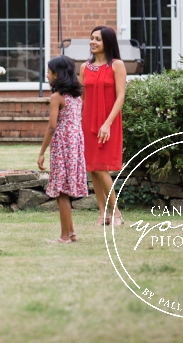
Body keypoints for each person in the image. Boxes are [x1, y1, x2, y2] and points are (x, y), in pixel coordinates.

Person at [38, 55, 88, 244]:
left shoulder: (56, 97)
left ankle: (65, 237)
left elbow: (52, 126)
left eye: (49, 72)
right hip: (75, 145)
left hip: (62, 146)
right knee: (64, 189)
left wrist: (42, 151)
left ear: (57, 75)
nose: (47, 75)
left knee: (62, 192)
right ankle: (72, 232)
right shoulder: (76, 97)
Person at [80, 25, 126, 226]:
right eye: (91, 38)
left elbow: (121, 96)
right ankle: (102, 214)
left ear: (107, 41)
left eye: (97, 39)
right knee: (93, 168)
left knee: (101, 168)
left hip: (109, 122)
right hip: (88, 122)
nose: (93, 42)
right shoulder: (84, 68)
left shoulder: (117, 65)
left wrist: (107, 123)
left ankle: (116, 213)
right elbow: (82, 98)